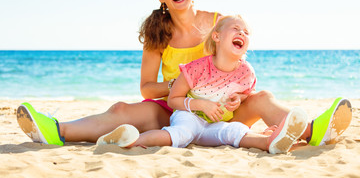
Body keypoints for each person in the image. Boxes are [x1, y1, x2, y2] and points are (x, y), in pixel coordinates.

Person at [16, 0, 352, 147]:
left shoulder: (220, 23)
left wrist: (233, 97)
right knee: (121, 109)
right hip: (179, 110)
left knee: (263, 96)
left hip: (225, 111)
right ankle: (56, 131)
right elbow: (147, 88)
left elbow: (238, 70)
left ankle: (312, 130)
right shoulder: (157, 34)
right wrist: (183, 86)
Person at [96, 15, 309, 154]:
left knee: (233, 130)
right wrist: (201, 105)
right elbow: (174, 99)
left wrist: (238, 99)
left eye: (246, 32)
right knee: (180, 135)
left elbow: (246, 94)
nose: (242, 34)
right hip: (189, 117)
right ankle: (130, 140)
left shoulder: (246, 72)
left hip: (213, 126)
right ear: (216, 36)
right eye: (236, 29)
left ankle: (271, 142)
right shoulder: (196, 68)